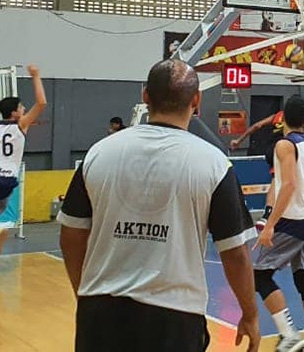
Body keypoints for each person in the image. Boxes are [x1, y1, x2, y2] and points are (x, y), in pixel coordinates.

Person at [58, 59, 259, 351]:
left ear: (145, 96)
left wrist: (87, 294)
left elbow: (71, 235)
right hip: (175, 317)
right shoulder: (214, 163)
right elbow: (236, 253)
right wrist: (250, 313)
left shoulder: (99, 153)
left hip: (100, 313)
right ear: (197, 100)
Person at [253, 95, 304, 352]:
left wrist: (270, 223)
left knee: (259, 276)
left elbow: (289, 184)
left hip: (294, 221)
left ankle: (289, 335)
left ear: (283, 117)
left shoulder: (284, 145)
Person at [0, 65, 46, 253]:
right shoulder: (21, 124)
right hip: (6, 179)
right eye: (21, 107)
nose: (24, 108)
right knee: (2, 228)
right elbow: (41, 103)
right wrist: (36, 76)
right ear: (14, 112)